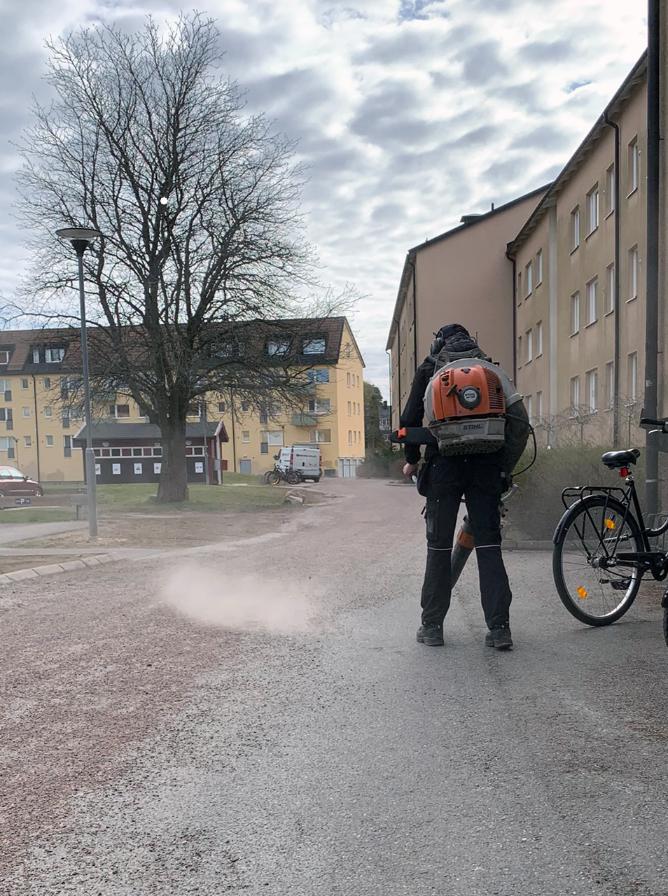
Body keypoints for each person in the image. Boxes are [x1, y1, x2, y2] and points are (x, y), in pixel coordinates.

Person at [401, 324, 529, 650]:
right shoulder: (490, 370)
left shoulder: (430, 370)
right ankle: (499, 629)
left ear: (439, 343)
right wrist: (503, 469)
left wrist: (412, 458)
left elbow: (409, 418)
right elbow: (520, 424)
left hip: (443, 466)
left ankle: (432, 627)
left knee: (439, 548)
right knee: (489, 548)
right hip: (485, 466)